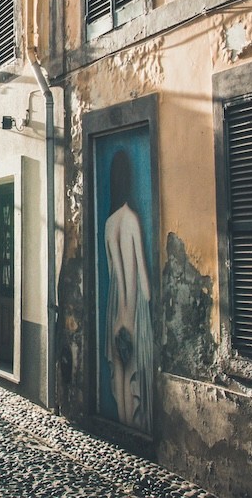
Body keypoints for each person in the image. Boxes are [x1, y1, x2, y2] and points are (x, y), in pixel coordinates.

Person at [104, 149, 153, 433]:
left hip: (115, 314)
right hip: (133, 312)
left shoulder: (109, 223)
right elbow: (144, 277)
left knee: (120, 377)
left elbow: (112, 272)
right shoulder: (131, 219)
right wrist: (150, 303)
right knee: (133, 373)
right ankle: (132, 429)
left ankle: (121, 424)